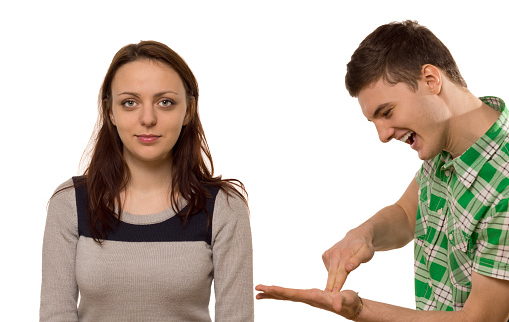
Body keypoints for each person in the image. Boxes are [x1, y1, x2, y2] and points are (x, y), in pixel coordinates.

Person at [256, 20, 509, 321]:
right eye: (374, 122)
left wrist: (359, 310)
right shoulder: (448, 143)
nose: (383, 135)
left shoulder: (503, 182)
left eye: (387, 112)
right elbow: (406, 214)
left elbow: (479, 320)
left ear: (431, 80)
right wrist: (364, 235)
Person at [40, 41, 253, 321]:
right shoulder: (70, 203)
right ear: (110, 112)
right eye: (130, 102)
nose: (148, 119)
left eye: (165, 102)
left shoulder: (224, 207)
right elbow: (56, 314)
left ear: (188, 110)